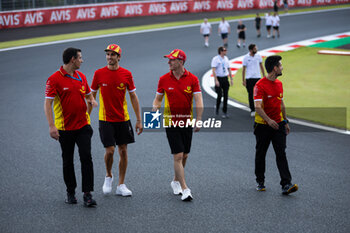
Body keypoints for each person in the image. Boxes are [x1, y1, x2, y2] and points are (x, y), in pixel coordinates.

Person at [44, 47, 98, 207]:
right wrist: (51, 126)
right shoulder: (54, 79)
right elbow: (48, 103)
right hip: (65, 128)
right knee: (68, 161)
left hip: (83, 126)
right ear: (72, 59)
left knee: (86, 157)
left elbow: (88, 95)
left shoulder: (81, 76)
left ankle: (87, 194)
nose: (82, 60)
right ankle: (70, 192)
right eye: (80, 58)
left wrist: (92, 101)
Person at [89, 44, 143, 197]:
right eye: (108, 54)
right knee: (110, 151)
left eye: (113, 55)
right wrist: (86, 116)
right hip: (105, 119)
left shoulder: (126, 74)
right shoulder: (99, 73)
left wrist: (139, 119)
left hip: (123, 119)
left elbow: (133, 96)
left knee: (123, 150)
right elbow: (90, 96)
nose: (109, 57)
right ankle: (108, 175)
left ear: (119, 57)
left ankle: (121, 184)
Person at [152, 49, 203, 201]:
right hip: (171, 122)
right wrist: (154, 110)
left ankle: (175, 180)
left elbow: (199, 100)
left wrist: (199, 119)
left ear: (181, 62)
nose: (168, 62)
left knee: (185, 154)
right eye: (168, 59)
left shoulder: (193, 79)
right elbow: (158, 100)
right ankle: (185, 188)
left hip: (186, 121)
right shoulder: (163, 79)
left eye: (172, 60)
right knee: (178, 155)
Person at [253, 55, 298, 195]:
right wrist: (268, 120)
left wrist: (285, 121)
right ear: (275, 68)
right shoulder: (259, 85)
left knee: (281, 153)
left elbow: (281, 104)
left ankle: (286, 184)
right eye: (280, 65)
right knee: (261, 154)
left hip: (278, 125)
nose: (282, 67)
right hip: (262, 126)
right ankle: (260, 181)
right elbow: (258, 107)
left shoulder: (279, 84)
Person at [242, 44, 265, 117]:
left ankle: (260, 109)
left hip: (258, 78)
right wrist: (243, 80)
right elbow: (243, 69)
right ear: (251, 50)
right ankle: (252, 109)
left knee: (259, 94)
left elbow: (261, 66)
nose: (256, 49)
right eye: (255, 48)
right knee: (250, 94)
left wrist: (264, 76)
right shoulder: (246, 57)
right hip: (249, 79)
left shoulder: (258, 56)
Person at [211, 46, 233, 118]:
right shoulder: (215, 59)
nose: (226, 51)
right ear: (221, 51)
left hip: (225, 78)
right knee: (220, 95)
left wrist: (231, 79)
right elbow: (213, 70)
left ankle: (225, 111)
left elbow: (229, 68)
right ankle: (217, 107)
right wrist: (216, 80)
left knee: (226, 96)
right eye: (224, 50)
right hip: (219, 79)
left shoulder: (226, 58)